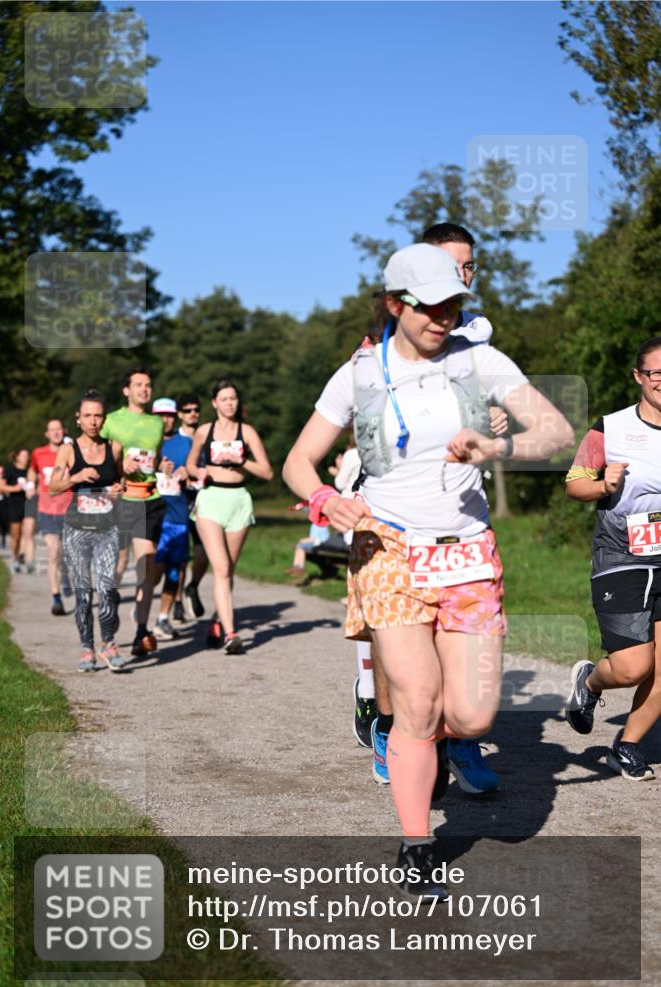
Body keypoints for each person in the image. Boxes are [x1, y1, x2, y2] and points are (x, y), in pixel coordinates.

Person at [283, 243, 573, 896]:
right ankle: (417, 845)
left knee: (468, 717)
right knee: (417, 699)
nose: (444, 315)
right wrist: (330, 502)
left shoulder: (479, 360)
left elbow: (554, 431)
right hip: (386, 550)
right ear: (394, 304)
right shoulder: (356, 375)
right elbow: (298, 462)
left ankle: (427, 744)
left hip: (466, 552)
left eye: (453, 303)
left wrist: (496, 445)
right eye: (430, 305)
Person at [358, 224, 505, 793]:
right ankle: (389, 724)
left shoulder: (477, 341)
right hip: (396, 518)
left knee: (463, 637)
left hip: (463, 511)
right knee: (404, 636)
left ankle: (460, 743)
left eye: (468, 267)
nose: (461, 276)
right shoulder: (379, 350)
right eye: (450, 266)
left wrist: (493, 425)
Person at [565, 336, 661, 780]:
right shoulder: (611, 427)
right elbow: (574, 483)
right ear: (639, 377)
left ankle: (626, 745)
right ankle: (590, 682)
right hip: (622, 551)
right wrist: (604, 484)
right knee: (632, 666)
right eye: (655, 372)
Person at [186, 380, 273, 653]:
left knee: (228, 570)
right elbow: (190, 463)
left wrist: (241, 461)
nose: (229, 403)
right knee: (221, 568)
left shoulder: (246, 432)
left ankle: (217, 619)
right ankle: (231, 633)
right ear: (214, 403)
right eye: (224, 399)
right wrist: (197, 472)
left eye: (233, 398)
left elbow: (267, 472)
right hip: (211, 500)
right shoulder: (203, 431)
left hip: (238, 500)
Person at [49, 390, 126, 672]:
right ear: (78, 419)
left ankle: (109, 642)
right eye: (88, 416)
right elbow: (52, 487)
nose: (94, 421)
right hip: (76, 530)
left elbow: (119, 480)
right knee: (83, 594)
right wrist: (76, 477)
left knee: (107, 590)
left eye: (98, 416)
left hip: (107, 529)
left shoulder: (114, 447)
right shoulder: (68, 450)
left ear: (103, 419)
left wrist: (119, 488)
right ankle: (86, 648)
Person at [101, 366, 173, 658]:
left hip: (150, 499)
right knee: (119, 566)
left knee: (147, 566)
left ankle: (141, 630)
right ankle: (112, 603)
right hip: (122, 501)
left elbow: (152, 462)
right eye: (139, 384)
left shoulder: (157, 424)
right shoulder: (112, 421)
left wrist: (162, 468)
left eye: (148, 385)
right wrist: (120, 468)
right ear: (126, 390)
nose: (145, 389)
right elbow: (101, 461)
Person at [150, 397, 187, 640]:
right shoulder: (146, 443)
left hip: (178, 516)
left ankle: (163, 617)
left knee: (174, 572)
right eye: (162, 415)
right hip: (152, 515)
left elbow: (200, 471)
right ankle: (142, 608)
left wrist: (189, 472)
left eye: (170, 415)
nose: (166, 420)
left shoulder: (187, 443)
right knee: (153, 570)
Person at [29, 418, 73, 616]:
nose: (56, 433)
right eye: (52, 430)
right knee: (52, 551)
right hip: (47, 509)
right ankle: (56, 598)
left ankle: (65, 577)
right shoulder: (39, 453)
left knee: (66, 552)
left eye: (59, 429)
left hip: (70, 509)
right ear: (47, 434)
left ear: (64, 430)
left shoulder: (71, 451)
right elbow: (32, 471)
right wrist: (31, 485)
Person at [173, 393, 209, 623]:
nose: (192, 413)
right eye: (187, 410)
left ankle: (192, 586)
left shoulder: (207, 437)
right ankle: (176, 602)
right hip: (178, 502)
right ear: (180, 414)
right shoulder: (172, 442)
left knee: (203, 551)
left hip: (204, 500)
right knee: (180, 556)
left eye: (195, 409)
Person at [0, 448, 30, 572]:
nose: (26, 458)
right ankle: (15, 558)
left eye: (27, 455)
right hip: (14, 504)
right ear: (17, 457)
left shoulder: (30, 470)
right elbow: (1, 487)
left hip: (28, 503)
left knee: (28, 533)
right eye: (23, 455)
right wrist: (15, 488)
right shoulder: (10, 470)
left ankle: (23, 555)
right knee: (16, 534)